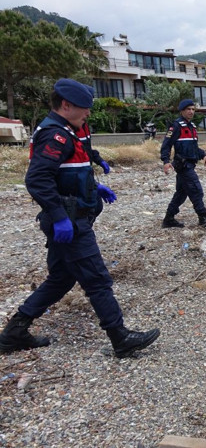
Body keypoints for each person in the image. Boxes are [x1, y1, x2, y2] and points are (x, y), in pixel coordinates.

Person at [0, 78, 160, 358]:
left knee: (61, 278)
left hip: (73, 216)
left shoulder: (69, 130)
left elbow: (68, 173)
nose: (88, 113)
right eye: (84, 108)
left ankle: (14, 331)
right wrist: (59, 216)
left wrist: (93, 187)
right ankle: (119, 337)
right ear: (66, 105)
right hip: (70, 223)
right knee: (97, 279)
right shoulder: (55, 135)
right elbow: (37, 179)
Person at [159, 99, 206, 230]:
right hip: (183, 166)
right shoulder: (176, 126)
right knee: (196, 190)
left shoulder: (191, 127)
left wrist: (203, 155)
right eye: (188, 109)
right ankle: (203, 218)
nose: (191, 112)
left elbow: (193, 147)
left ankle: (168, 219)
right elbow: (166, 145)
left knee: (181, 193)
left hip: (190, 164)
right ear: (182, 111)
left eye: (193, 109)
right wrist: (166, 161)